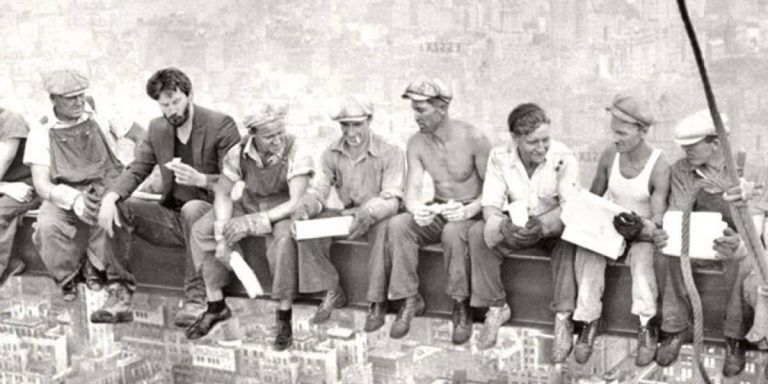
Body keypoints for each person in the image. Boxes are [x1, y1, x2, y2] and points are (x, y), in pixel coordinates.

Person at [96, 68, 241, 325]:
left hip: (210, 217)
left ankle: (198, 299)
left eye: (176, 102)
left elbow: (239, 181)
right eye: (165, 105)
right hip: (172, 217)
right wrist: (111, 197)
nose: (172, 110)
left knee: (193, 208)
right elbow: (138, 168)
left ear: (190, 95)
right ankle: (119, 293)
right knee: (120, 207)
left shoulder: (220, 125)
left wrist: (202, 180)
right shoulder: (157, 129)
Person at [186, 102, 313, 350]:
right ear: (253, 134)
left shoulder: (297, 150)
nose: (277, 140)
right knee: (203, 229)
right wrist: (223, 234)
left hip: (282, 209)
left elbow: (295, 201)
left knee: (284, 242)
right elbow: (223, 193)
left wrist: (251, 224)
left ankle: (283, 315)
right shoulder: (239, 152)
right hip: (250, 202)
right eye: (269, 137)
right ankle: (216, 305)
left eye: (280, 133)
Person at [468, 103, 579, 354]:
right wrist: (503, 225)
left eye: (545, 140)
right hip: (517, 225)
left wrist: (542, 226)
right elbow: (491, 204)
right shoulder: (499, 157)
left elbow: (570, 206)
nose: (541, 148)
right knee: (478, 234)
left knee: (569, 241)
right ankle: (496, 307)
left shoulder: (564, 157)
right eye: (533, 142)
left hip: (552, 227)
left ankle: (563, 317)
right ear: (515, 138)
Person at [387, 78, 491, 344]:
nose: (415, 117)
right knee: (399, 225)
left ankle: (461, 305)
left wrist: (469, 211)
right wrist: (417, 209)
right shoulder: (417, 144)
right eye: (414, 110)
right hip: (441, 207)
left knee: (453, 233)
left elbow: (493, 191)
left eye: (421, 110)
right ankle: (410, 299)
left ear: (442, 108)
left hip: (471, 212)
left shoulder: (474, 139)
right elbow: (412, 191)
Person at [652, 109, 755, 377]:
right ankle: (675, 326)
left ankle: (734, 336)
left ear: (716, 143)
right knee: (667, 251)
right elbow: (677, 214)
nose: (685, 151)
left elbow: (757, 223)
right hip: (697, 243)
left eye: (692, 145)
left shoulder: (747, 168)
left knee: (741, 260)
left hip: (737, 244)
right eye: (684, 146)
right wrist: (669, 234)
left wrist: (738, 242)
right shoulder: (681, 171)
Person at [569, 94, 670, 365]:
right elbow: (595, 197)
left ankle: (646, 324)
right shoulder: (609, 154)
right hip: (611, 225)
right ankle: (589, 320)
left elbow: (658, 220)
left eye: (622, 133)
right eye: (613, 131)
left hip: (640, 231)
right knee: (588, 253)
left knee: (642, 261)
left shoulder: (658, 166)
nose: (616, 138)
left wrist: (640, 227)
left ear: (642, 131)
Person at [292, 94, 405, 332]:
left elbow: (392, 197)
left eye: (357, 124)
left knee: (382, 231)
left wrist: (369, 213)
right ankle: (331, 288)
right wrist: (305, 208)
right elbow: (320, 190)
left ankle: (376, 301)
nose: (351, 131)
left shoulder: (390, 152)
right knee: (307, 229)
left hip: (378, 214)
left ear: (369, 121)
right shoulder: (332, 153)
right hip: (350, 214)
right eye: (345, 124)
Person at [23, 69, 135, 303]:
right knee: (46, 226)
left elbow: (143, 137)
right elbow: (41, 183)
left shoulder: (102, 114)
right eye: (70, 97)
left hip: (106, 186)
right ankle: (68, 276)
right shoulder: (41, 130)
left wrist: (136, 172)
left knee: (111, 217)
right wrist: (72, 199)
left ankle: (95, 268)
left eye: (81, 95)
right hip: (65, 192)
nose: (79, 102)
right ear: (53, 99)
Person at [0, 108, 40, 287]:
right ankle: (9, 263)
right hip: (8, 186)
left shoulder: (10, 121)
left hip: (28, 184)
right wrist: (5, 187)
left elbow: (3, 162)